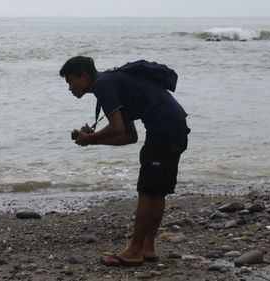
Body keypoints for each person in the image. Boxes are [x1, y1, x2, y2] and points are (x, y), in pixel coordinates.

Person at [59, 56, 190, 267]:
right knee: (156, 190)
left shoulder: (104, 85)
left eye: (70, 81)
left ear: (83, 76)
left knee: (147, 191)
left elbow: (118, 128)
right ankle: (147, 247)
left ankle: (135, 251)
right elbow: (129, 135)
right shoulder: (111, 82)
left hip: (164, 130)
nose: (69, 87)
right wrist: (92, 141)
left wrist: (91, 137)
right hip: (173, 128)